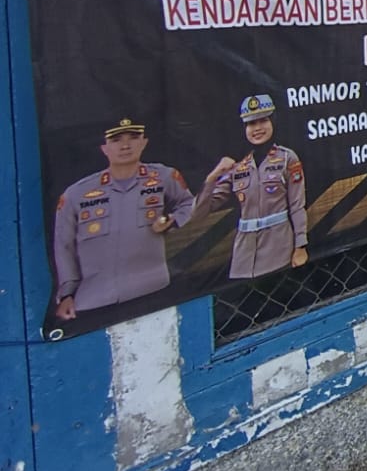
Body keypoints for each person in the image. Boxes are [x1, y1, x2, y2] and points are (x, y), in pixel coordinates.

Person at [52, 118, 196, 319]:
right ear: (104, 148)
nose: (126, 145)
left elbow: (189, 203)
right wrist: (67, 292)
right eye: (117, 139)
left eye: (134, 137)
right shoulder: (76, 194)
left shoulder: (164, 176)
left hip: (154, 288)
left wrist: (172, 220)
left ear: (144, 142)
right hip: (96, 299)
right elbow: (64, 245)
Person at [199, 94, 309, 278]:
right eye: (251, 124)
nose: (257, 128)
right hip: (244, 256)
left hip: (279, 249)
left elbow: (297, 206)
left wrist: (300, 246)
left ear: (273, 121)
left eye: (263, 121)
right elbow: (202, 211)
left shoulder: (287, 158)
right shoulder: (236, 165)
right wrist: (212, 178)